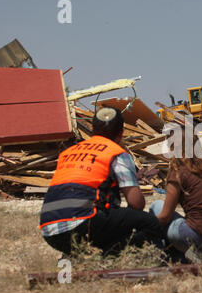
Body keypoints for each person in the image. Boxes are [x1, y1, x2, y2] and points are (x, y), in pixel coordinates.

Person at [39, 107, 162, 257]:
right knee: (150, 223)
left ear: (92, 129)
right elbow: (136, 203)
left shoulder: (69, 152)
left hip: (49, 230)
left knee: (112, 219)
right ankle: (124, 259)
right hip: (82, 224)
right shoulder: (116, 153)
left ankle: (92, 255)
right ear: (121, 132)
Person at [149, 131, 202, 262]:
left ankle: (160, 254)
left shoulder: (179, 172)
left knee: (156, 205)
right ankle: (184, 254)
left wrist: (144, 226)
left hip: (196, 237)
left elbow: (164, 217)